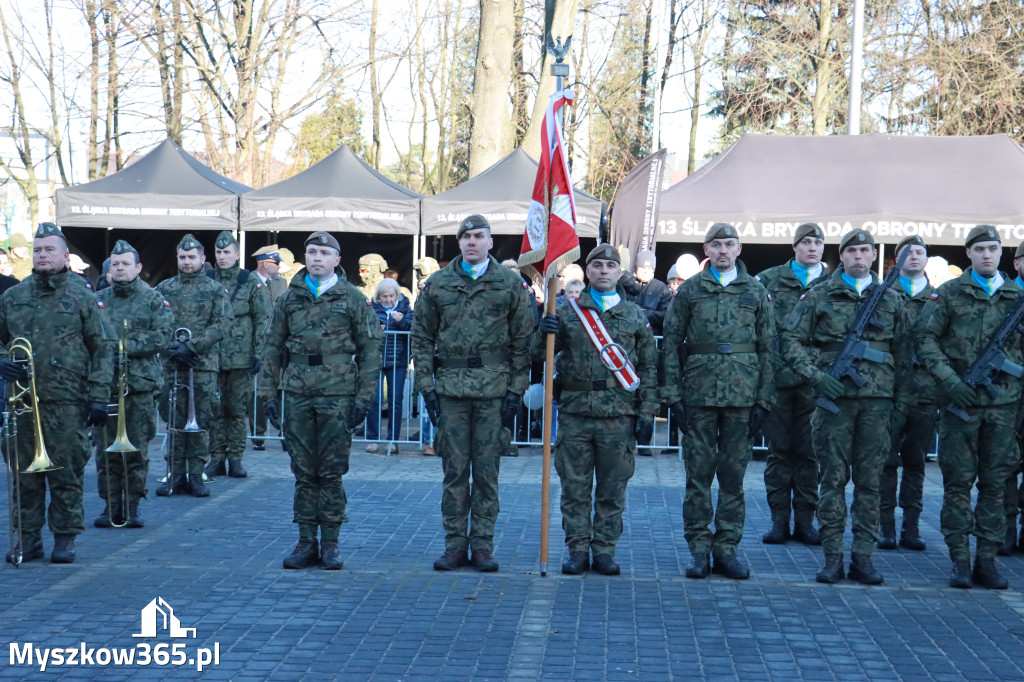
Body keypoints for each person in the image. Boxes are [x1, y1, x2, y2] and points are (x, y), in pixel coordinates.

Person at [781, 228, 911, 585]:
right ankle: (833, 556)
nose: (858, 256)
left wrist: (900, 405)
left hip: (877, 404)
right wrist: (815, 375)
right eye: (851, 250)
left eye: (865, 250)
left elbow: (906, 353)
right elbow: (789, 340)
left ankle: (863, 557)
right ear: (842, 256)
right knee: (832, 481)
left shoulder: (892, 299)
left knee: (870, 483)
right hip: (833, 405)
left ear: (873, 256)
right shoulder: (820, 294)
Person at [411, 214, 534, 573]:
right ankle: (454, 545)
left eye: (479, 236)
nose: (471, 242)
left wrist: (516, 391)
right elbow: (421, 339)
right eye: (465, 236)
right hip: (450, 391)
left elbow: (522, 342)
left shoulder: (510, 284)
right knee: (454, 471)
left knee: (486, 472)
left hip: (493, 391)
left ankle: (482, 545)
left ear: (490, 242)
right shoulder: (438, 284)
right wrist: (427, 387)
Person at [259, 231, 382, 570]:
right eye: (311, 252)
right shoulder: (289, 298)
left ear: (337, 260)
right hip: (297, 392)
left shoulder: (353, 298)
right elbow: (271, 347)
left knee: (330, 471)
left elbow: (371, 350)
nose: (317, 258)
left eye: (324, 253)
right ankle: (304, 540)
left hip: (337, 394)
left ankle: (330, 542)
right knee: (302, 469)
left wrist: (364, 398)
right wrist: (267, 393)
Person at [536, 244, 658, 575]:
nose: (604, 270)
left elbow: (649, 367)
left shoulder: (634, 315)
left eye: (610, 266)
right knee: (574, 488)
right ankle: (577, 549)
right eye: (597, 265)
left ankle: (604, 550)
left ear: (620, 273)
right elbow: (540, 356)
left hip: (619, 416)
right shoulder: (566, 311)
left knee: (612, 488)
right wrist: (543, 331)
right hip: (576, 415)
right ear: (587, 272)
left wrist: (647, 413)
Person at [662, 223, 774, 580]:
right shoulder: (690, 292)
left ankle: (727, 549)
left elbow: (770, 348)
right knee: (697, 477)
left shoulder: (756, 292)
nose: (723, 250)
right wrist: (672, 396)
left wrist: (764, 400)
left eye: (729, 244)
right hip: (698, 395)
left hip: (742, 397)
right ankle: (698, 550)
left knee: (733, 478)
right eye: (716, 244)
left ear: (739, 249)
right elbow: (670, 344)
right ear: (706, 249)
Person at [916, 225, 1023, 589]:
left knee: (995, 485)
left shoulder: (1016, 296)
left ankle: (987, 560)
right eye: (980, 249)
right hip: (960, 405)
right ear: (969, 254)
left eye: (993, 249)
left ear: (1002, 254)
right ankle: (960, 559)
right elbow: (926, 339)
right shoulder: (949, 293)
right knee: (958, 485)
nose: (987, 255)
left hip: (1003, 407)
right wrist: (950, 381)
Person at [0, 222, 113, 564]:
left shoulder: (83, 296)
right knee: (23, 476)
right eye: (37, 250)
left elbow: (102, 346)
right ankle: (27, 539)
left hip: (68, 401)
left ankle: (65, 539)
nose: (42, 255)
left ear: (65, 255)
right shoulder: (12, 297)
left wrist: (98, 395)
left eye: (49, 249)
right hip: (21, 403)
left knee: (66, 472)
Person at [754, 223, 829, 546]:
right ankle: (779, 521)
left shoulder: (835, 281)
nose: (812, 247)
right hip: (780, 379)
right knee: (780, 453)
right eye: (806, 242)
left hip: (819, 381)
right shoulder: (768, 280)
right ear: (795, 246)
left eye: (817, 242)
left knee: (810, 455)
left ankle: (806, 521)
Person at [94, 240, 175, 529]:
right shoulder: (98, 299)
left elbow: (162, 336)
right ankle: (109, 504)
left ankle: (132, 504)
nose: (120, 268)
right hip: (106, 385)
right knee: (105, 450)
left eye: (125, 263)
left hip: (140, 386)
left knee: (136, 449)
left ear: (138, 268)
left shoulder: (153, 299)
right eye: (115, 264)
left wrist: (119, 347)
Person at [155, 234, 233, 498]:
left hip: (202, 364)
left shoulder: (214, 290)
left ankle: (197, 474)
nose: (187, 262)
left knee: (199, 420)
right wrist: (173, 347)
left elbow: (223, 324)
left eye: (191, 257)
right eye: (182, 257)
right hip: (172, 364)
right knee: (175, 420)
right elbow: (156, 324)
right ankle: (175, 474)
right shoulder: (164, 288)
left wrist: (193, 346)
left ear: (203, 259)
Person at [878, 235, 936, 552]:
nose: (914, 257)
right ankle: (885, 527)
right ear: (896, 260)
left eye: (919, 252)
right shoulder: (883, 294)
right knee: (886, 461)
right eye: (907, 253)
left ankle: (911, 527)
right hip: (890, 389)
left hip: (925, 391)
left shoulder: (940, 298)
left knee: (916, 461)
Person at [206, 231, 269, 479]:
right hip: (211, 356)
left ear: (236, 254)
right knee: (214, 410)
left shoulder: (250, 281)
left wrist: (258, 352)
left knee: (236, 411)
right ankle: (216, 458)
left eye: (227, 252)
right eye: (219, 253)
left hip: (241, 357)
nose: (222, 257)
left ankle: (236, 459)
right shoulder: (207, 279)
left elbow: (261, 319)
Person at [366, 278, 413, 454]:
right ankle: (372, 439)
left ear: (397, 295)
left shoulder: (405, 308)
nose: (388, 300)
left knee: (396, 400)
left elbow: (412, 327)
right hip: (376, 359)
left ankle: (393, 440)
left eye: (391, 296)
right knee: (374, 399)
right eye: (384, 296)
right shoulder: (371, 310)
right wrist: (376, 327)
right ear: (378, 297)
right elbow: (364, 328)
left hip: (398, 360)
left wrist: (401, 322)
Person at [251, 244, 288, 451]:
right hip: (257, 344)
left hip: (278, 344)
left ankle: (283, 431)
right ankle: (258, 433)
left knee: (281, 388)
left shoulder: (280, 282)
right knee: (257, 391)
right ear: (264, 263)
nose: (279, 266)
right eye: (276, 263)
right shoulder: (250, 282)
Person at [1002, 243, 1024, 555]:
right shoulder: (1004, 296)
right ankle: (1005, 529)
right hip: (1007, 395)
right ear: (1018, 262)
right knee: (1003, 463)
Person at [413, 257, 441, 456]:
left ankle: (434, 441)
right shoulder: (425, 290)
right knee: (428, 401)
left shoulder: (435, 288)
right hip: (428, 354)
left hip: (441, 354)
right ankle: (428, 441)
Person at [618, 250, 672, 334]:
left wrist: (645, 314)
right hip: (626, 337)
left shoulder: (661, 289)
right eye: (642, 267)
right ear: (636, 268)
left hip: (651, 339)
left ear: (653, 270)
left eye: (649, 268)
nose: (645, 271)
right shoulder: (624, 283)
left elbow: (668, 316)